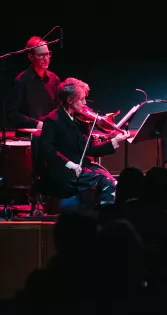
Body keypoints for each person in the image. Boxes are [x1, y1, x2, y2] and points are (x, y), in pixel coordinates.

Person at [39, 77, 130, 206]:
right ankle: (105, 218)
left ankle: (101, 217)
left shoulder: (80, 121)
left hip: (82, 167)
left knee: (112, 182)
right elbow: (48, 150)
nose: (85, 103)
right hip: (63, 171)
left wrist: (114, 141)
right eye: (82, 99)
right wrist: (70, 164)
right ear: (70, 100)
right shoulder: (53, 120)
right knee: (108, 184)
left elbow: (89, 149)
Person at [7, 36, 60, 131]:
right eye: (41, 55)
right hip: (29, 134)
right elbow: (12, 114)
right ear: (30, 57)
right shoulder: (21, 81)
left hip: (51, 132)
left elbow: (59, 109)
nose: (46, 58)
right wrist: (37, 124)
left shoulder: (54, 79)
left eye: (48, 54)